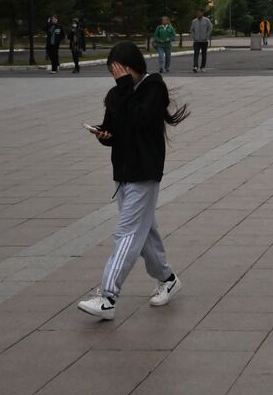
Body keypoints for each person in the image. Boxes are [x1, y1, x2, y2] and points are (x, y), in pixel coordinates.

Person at [77, 41, 189, 320]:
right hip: (124, 173)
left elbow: (141, 120)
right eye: (113, 72)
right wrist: (104, 135)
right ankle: (168, 278)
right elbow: (115, 130)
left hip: (145, 173)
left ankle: (107, 296)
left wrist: (125, 87)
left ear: (132, 67)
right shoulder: (117, 94)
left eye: (121, 70)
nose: (117, 76)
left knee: (127, 233)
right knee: (145, 232)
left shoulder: (154, 87)